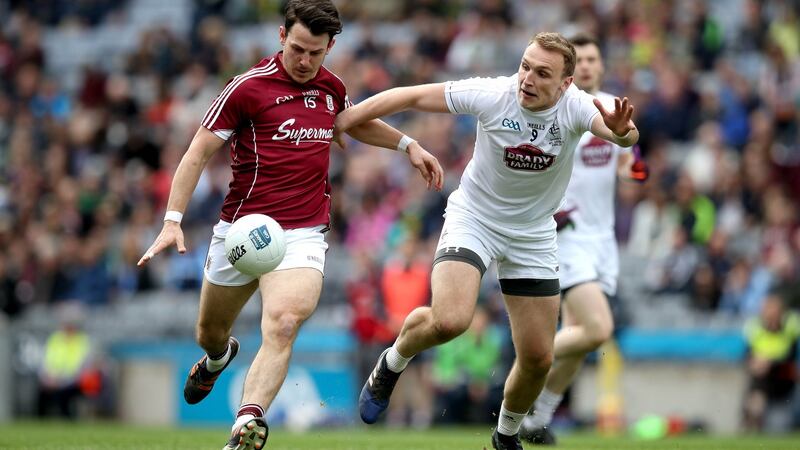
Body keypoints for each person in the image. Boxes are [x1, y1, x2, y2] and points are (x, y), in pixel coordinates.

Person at [136, 1, 444, 449]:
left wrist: (408, 145)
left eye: (315, 53)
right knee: (209, 332)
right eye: (297, 49)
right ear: (282, 37)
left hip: (302, 233)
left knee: (282, 323)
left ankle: (247, 423)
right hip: (241, 230)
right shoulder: (247, 88)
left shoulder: (331, 87)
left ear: (330, 47)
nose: (304, 61)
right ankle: (219, 357)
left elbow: (353, 123)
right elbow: (197, 152)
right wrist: (172, 220)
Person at [335, 31, 639, 450]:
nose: (527, 79)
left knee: (538, 358)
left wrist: (624, 135)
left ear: (566, 83)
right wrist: (347, 120)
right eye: (525, 66)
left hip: (533, 234)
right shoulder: (492, 94)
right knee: (451, 320)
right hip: (475, 219)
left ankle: (505, 435)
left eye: (542, 73)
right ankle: (393, 360)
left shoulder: (577, 107)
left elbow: (621, 135)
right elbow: (410, 96)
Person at [518, 34, 648, 445]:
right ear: (570, 72)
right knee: (596, 329)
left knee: (576, 341)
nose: (589, 66)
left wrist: (633, 171)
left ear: (601, 66)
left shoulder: (613, 109)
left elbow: (634, 163)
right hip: (566, 233)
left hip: (602, 238)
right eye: (583, 60)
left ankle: (537, 419)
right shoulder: (550, 108)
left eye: (594, 59)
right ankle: (527, 363)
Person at [742, 292, 800, 432]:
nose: (770, 313)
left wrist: (770, 362)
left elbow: (791, 355)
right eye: (767, 308)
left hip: (786, 375)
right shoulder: (754, 326)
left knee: (780, 428)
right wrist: (756, 362)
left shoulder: (792, 325)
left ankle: (755, 416)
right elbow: (747, 354)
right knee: (759, 376)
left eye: (774, 309)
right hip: (763, 375)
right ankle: (754, 416)